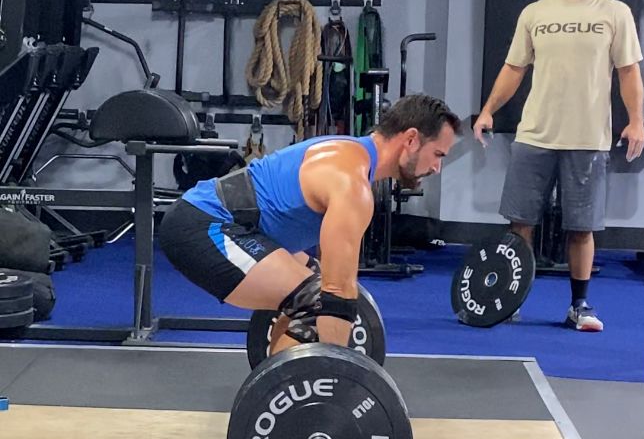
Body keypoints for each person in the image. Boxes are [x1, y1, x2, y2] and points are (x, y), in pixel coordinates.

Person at [160, 94, 460, 355]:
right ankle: (286, 405)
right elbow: (337, 294)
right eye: (438, 155)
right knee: (318, 303)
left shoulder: (352, 152)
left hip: (233, 223)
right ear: (410, 140)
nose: (437, 167)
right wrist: (338, 378)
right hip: (205, 226)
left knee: (313, 280)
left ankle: (277, 380)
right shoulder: (352, 183)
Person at [473, 0, 644, 331]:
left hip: (588, 138)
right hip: (535, 134)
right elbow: (513, 68)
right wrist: (487, 111)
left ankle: (579, 306)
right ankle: (511, 298)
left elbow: (629, 72)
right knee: (520, 223)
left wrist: (636, 120)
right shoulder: (536, 12)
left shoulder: (614, 12)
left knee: (581, 227)